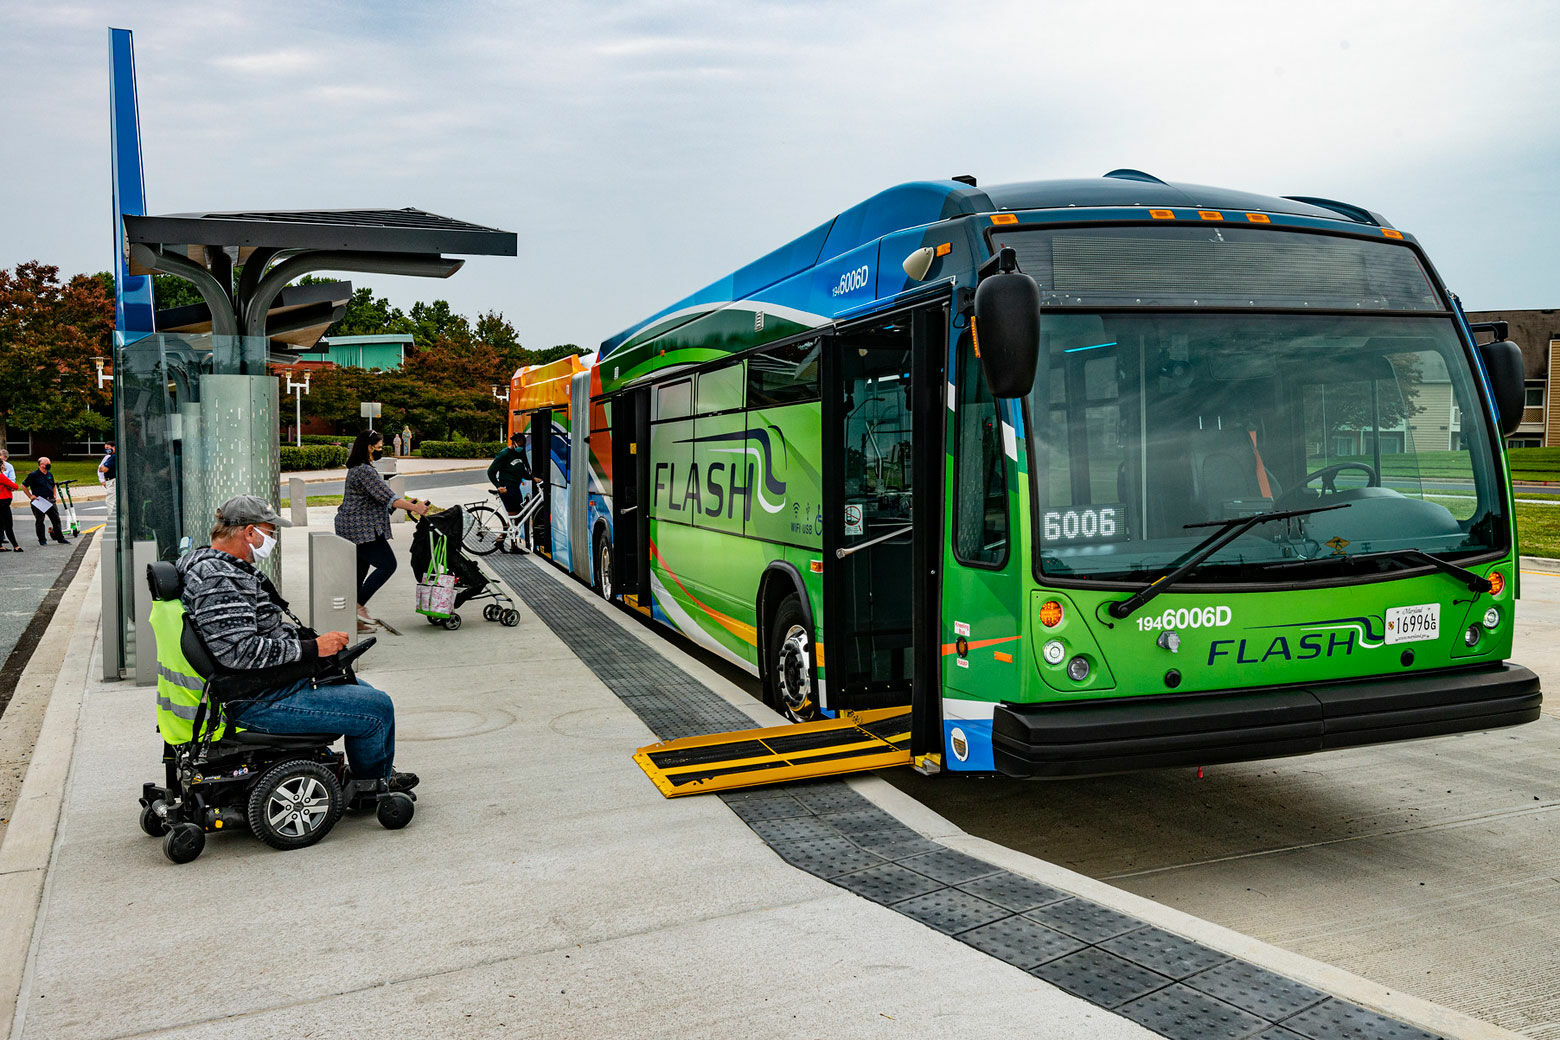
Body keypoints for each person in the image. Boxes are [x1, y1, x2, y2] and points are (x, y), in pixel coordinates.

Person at [179, 495, 417, 793]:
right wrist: (314, 648)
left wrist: (314, 646)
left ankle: (370, 772)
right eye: (270, 531)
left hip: (268, 684)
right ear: (248, 532)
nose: (273, 538)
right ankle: (373, 788)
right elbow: (239, 652)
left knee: (363, 690)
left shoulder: (220, 568)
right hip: (259, 698)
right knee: (377, 708)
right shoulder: (219, 579)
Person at [335, 431, 429, 630]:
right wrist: (415, 507)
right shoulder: (364, 471)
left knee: (360, 571)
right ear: (369, 447)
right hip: (360, 529)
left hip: (354, 527)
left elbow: (378, 498)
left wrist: (405, 504)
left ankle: (353, 621)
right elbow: (388, 496)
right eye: (378, 447)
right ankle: (357, 607)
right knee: (388, 565)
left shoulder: (359, 468)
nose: (380, 450)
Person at [488, 431, 533, 552]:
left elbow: (522, 472)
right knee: (514, 517)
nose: (520, 445)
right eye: (518, 442)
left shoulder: (519, 454)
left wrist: (533, 478)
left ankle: (501, 539)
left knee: (517, 516)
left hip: (515, 488)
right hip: (507, 488)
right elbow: (490, 471)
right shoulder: (504, 454)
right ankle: (513, 546)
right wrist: (498, 486)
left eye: (522, 443)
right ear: (513, 442)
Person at [22, 457, 69, 546]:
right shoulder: (33, 475)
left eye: (49, 463)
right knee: (40, 520)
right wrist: (30, 496)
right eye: (47, 463)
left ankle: (60, 538)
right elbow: (23, 485)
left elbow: (53, 485)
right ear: (41, 465)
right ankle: (42, 540)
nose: (49, 465)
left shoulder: (49, 474)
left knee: (56, 519)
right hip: (39, 501)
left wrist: (54, 495)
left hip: (50, 500)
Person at [0, 453, 28, 552]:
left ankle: (0, 546)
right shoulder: (1, 476)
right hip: (3, 503)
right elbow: (15, 486)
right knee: (8, 525)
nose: (4, 467)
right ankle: (16, 546)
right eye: (3, 466)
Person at [97, 442, 117, 524]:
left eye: (108, 447)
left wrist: (102, 468)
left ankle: (112, 521)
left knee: (110, 501)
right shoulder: (109, 457)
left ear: (114, 447)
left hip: (112, 481)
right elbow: (100, 468)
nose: (107, 450)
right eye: (105, 448)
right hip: (110, 481)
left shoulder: (113, 457)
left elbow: (103, 469)